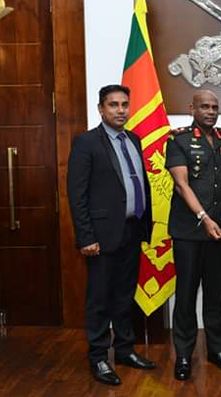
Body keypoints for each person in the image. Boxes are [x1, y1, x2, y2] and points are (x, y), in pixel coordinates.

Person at [67, 84, 157, 386]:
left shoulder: (134, 138)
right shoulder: (86, 142)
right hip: (101, 236)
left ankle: (125, 350)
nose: (121, 110)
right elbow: (76, 194)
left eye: (124, 105)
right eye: (113, 105)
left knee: (124, 295)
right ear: (101, 109)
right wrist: (85, 237)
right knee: (100, 299)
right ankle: (98, 358)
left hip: (132, 229)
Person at [165, 89, 221, 381]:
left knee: (215, 294)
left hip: (219, 229)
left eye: (215, 106)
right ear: (192, 108)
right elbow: (182, 185)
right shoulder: (177, 139)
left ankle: (217, 351)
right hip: (189, 230)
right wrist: (203, 218)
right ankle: (183, 354)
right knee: (187, 294)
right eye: (204, 106)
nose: (210, 111)